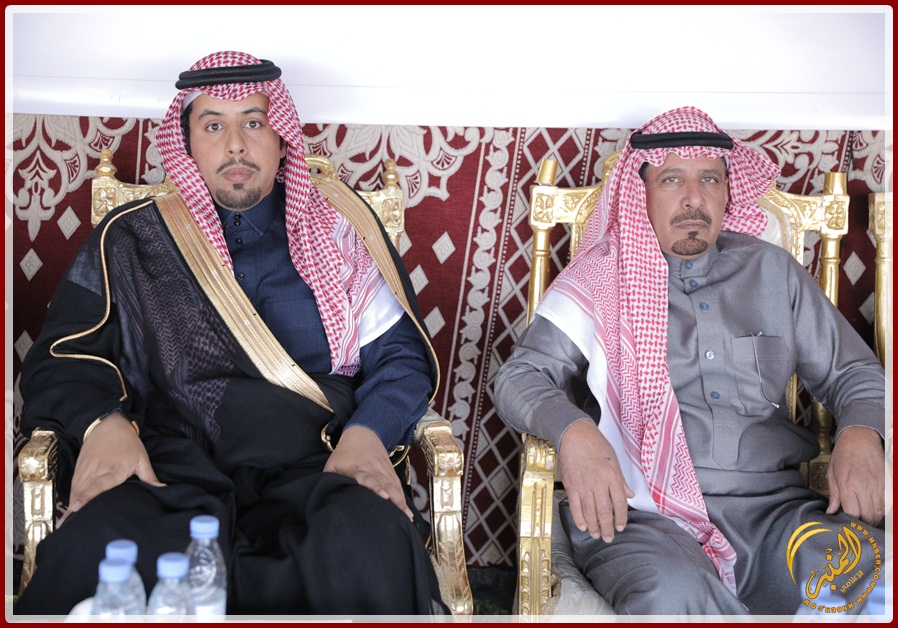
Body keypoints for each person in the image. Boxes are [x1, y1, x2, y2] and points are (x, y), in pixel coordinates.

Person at [16, 51, 447, 616]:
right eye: (213, 126)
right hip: (168, 466)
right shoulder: (132, 238)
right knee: (96, 551)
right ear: (187, 142)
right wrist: (104, 425)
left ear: (282, 138)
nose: (236, 145)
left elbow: (400, 360)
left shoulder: (343, 232)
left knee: (372, 547)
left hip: (316, 464)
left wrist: (367, 435)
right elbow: (62, 356)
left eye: (254, 122)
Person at [495, 106, 888, 616]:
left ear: (728, 192)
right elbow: (520, 376)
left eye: (710, 179)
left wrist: (860, 433)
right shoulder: (601, 278)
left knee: (876, 575)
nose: (693, 198)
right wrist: (574, 431)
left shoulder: (772, 272)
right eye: (672, 179)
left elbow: (854, 372)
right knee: (673, 594)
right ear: (641, 191)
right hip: (642, 518)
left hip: (774, 514)